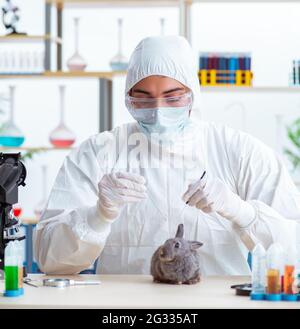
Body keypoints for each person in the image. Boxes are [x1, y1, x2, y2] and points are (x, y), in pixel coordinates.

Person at [34, 36, 300, 275]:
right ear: (128, 98)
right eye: (144, 99)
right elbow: (49, 261)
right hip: (123, 308)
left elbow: (294, 251)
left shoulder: (239, 151)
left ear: (192, 94)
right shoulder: (97, 153)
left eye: (172, 98)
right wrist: (98, 215)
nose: (159, 111)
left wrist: (241, 212)